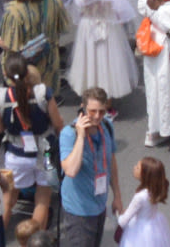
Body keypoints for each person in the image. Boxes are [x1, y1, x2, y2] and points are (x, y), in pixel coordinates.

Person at [54, 90, 118, 247]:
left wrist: (117, 195)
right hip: (79, 212)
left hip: (99, 205)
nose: (97, 116)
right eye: (92, 111)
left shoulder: (107, 126)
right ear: (82, 108)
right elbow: (71, 170)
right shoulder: (69, 134)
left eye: (101, 111)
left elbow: (111, 161)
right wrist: (81, 136)